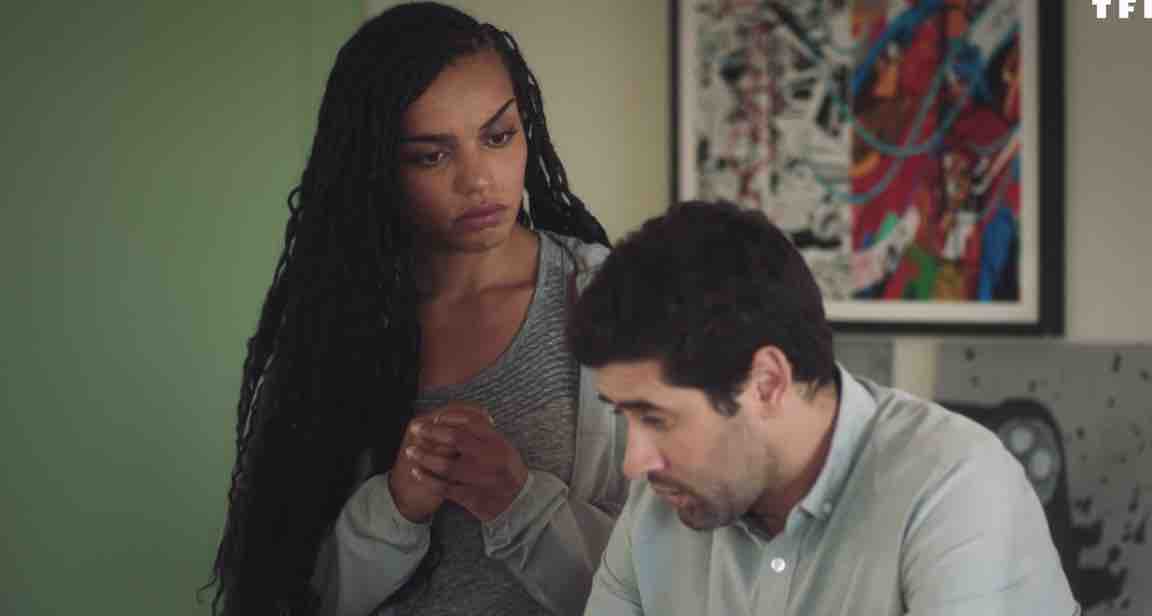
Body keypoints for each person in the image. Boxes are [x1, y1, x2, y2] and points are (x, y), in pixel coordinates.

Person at [207, 3, 626, 614]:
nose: (478, 181)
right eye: (432, 155)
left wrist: (518, 501)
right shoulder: (334, 326)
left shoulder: (614, 305)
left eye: (498, 136)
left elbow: (661, 579)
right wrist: (395, 508)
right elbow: (292, 589)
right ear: (375, 167)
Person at [567, 201, 1079, 615]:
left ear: (767, 383)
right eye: (622, 415)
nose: (634, 463)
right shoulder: (658, 506)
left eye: (655, 418)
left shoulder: (957, 489)